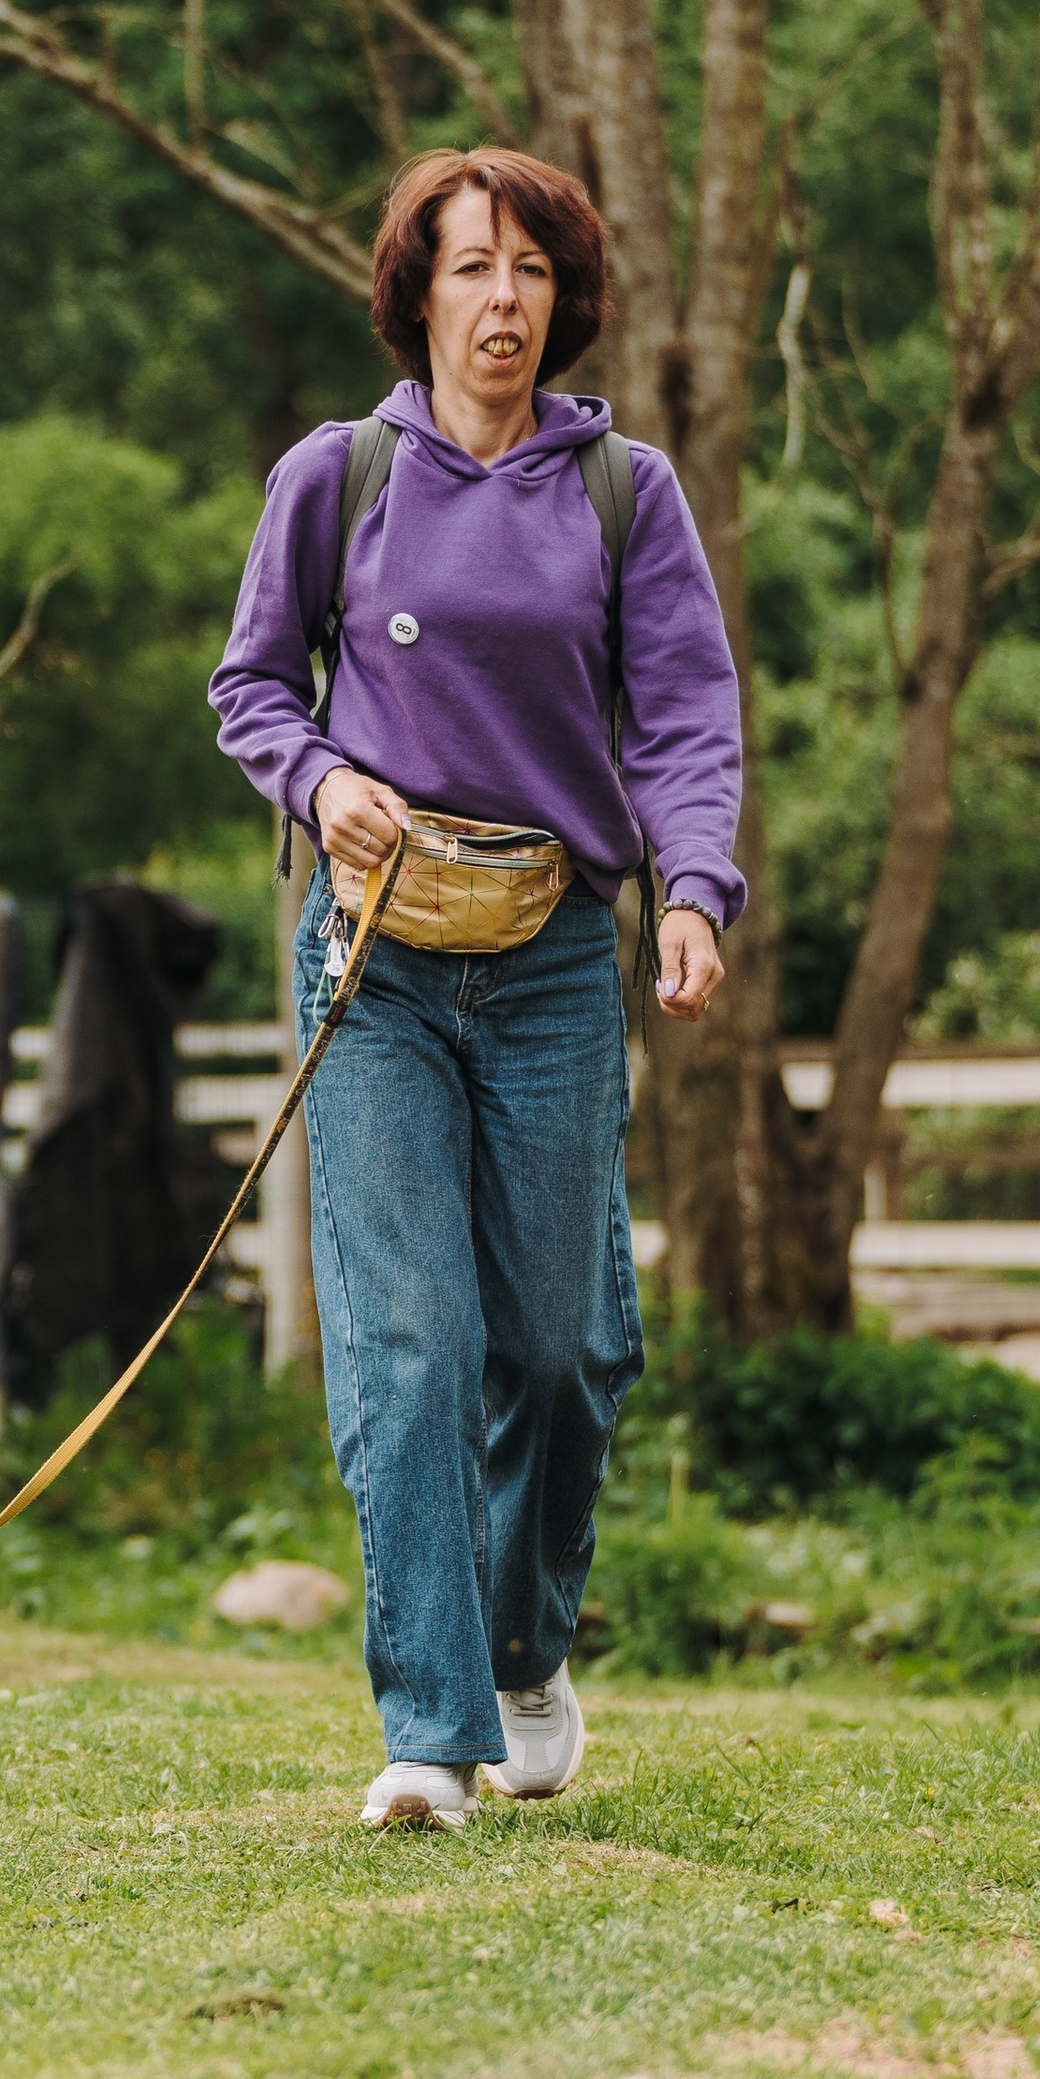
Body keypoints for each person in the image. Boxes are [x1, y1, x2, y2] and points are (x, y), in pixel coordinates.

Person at [209, 145, 744, 1833]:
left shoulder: (623, 492)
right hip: (369, 965)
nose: (502, 299)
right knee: (414, 1343)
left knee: (572, 1347)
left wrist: (694, 893)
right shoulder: (340, 475)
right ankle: (434, 1731)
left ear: (561, 298)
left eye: (530, 269)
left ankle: (526, 1647)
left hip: (554, 960)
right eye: (470, 268)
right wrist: (316, 780)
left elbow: (682, 716)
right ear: (417, 291)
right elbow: (248, 685)